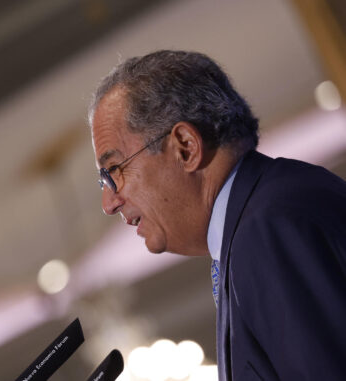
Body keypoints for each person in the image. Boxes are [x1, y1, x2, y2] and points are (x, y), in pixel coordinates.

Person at [87, 50, 346, 380]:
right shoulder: (258, 223)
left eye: (113, 170)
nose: (109, 202)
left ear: (185, 147)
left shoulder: (267, 228)